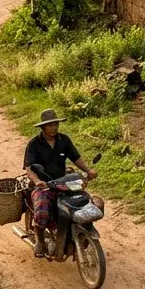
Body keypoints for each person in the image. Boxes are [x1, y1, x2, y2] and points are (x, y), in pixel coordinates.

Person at [23, 109, 96, 258]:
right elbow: (29, 169)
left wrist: (88, 171)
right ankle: (40, 241)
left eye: (55, 124)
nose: (54, 127)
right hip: (43, 185)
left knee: (84, 202)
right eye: (50, 125)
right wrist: (38, 181)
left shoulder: (64, 140)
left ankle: (80, 231)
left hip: (63, 182)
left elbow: (76, 158)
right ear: (43, 127)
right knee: (42, 211)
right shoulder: (34, 144)